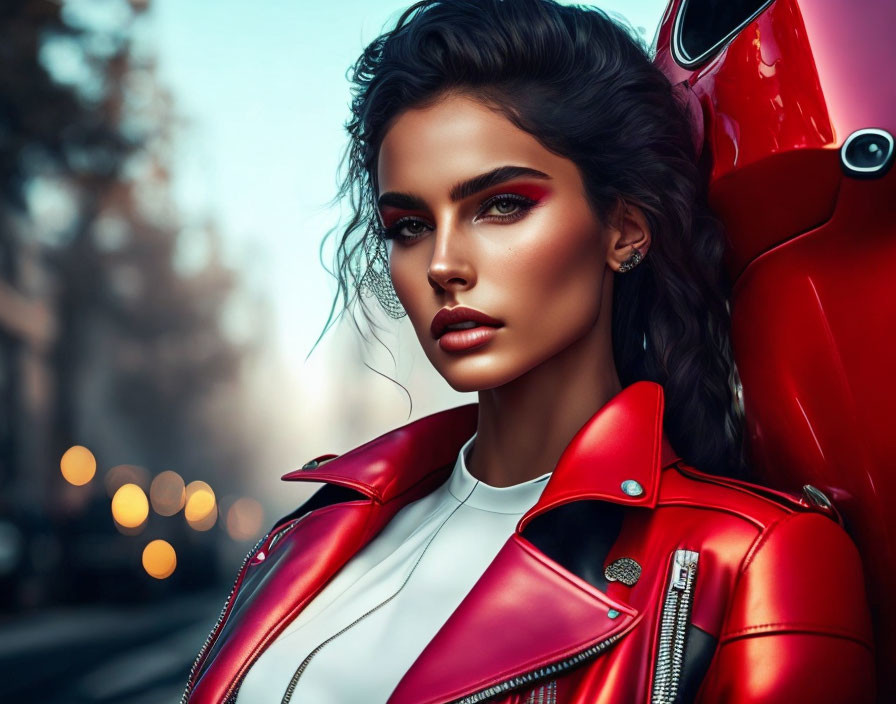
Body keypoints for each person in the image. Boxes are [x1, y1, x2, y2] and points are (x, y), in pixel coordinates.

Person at [181, 1, 875, 702]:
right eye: (411, 225)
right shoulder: (317, 524)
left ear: (625, 230)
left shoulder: (756, 561)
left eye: (502, 205)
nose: (442, 264)